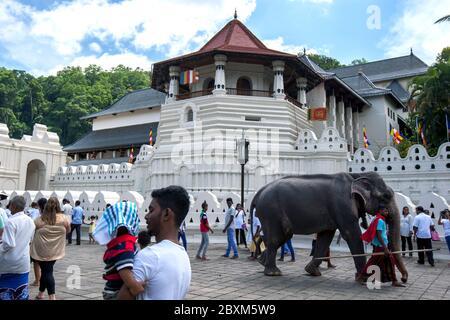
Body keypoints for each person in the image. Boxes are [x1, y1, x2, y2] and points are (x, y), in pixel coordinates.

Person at [118, 185, 192, 300]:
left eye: (151, 210)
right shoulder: (183, 256)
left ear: (166, 214)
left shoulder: (149, 256)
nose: (146, 216)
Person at [93, 201, 144, 300]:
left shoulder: (117, 242)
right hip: (118, 292)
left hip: (112, 290)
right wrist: (136, 287)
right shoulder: (125, 244)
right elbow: (124, 270)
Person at [31, 197, 70, 300]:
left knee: (47, 272)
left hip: (41, 250)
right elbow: (68, 230)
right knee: (47, 271)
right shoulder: (64, 218)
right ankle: (41, 293)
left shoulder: (40, 219)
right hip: (56, 250)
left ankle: (52, 296)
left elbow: (33, 229)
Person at [0, 196, 36, 300]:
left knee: (5, 292)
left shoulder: (11, 222)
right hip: (23, 261)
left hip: (9, 263)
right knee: (21, 291)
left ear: (13, 206)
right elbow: (29, 240)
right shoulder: (30, 221)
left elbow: (8, 244)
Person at [360, 205, 405, 287]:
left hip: (381, 246)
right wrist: (385, 248)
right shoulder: (380, 220)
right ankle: (363, 277)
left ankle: (393, 280)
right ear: (380, 211)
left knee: (386, 262)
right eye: (385, 211)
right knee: (375, 262)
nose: (386, 213)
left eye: (387, 211)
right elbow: (378, 235)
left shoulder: (378, 219)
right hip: (381, 247)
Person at [31, 198, 47, 287]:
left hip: (39, 240)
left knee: (36, 261)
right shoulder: (53, 215)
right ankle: (43, 279)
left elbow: (33, 226)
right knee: (46, 264)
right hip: (49, 242)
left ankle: (38, 280)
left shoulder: (39, 216)